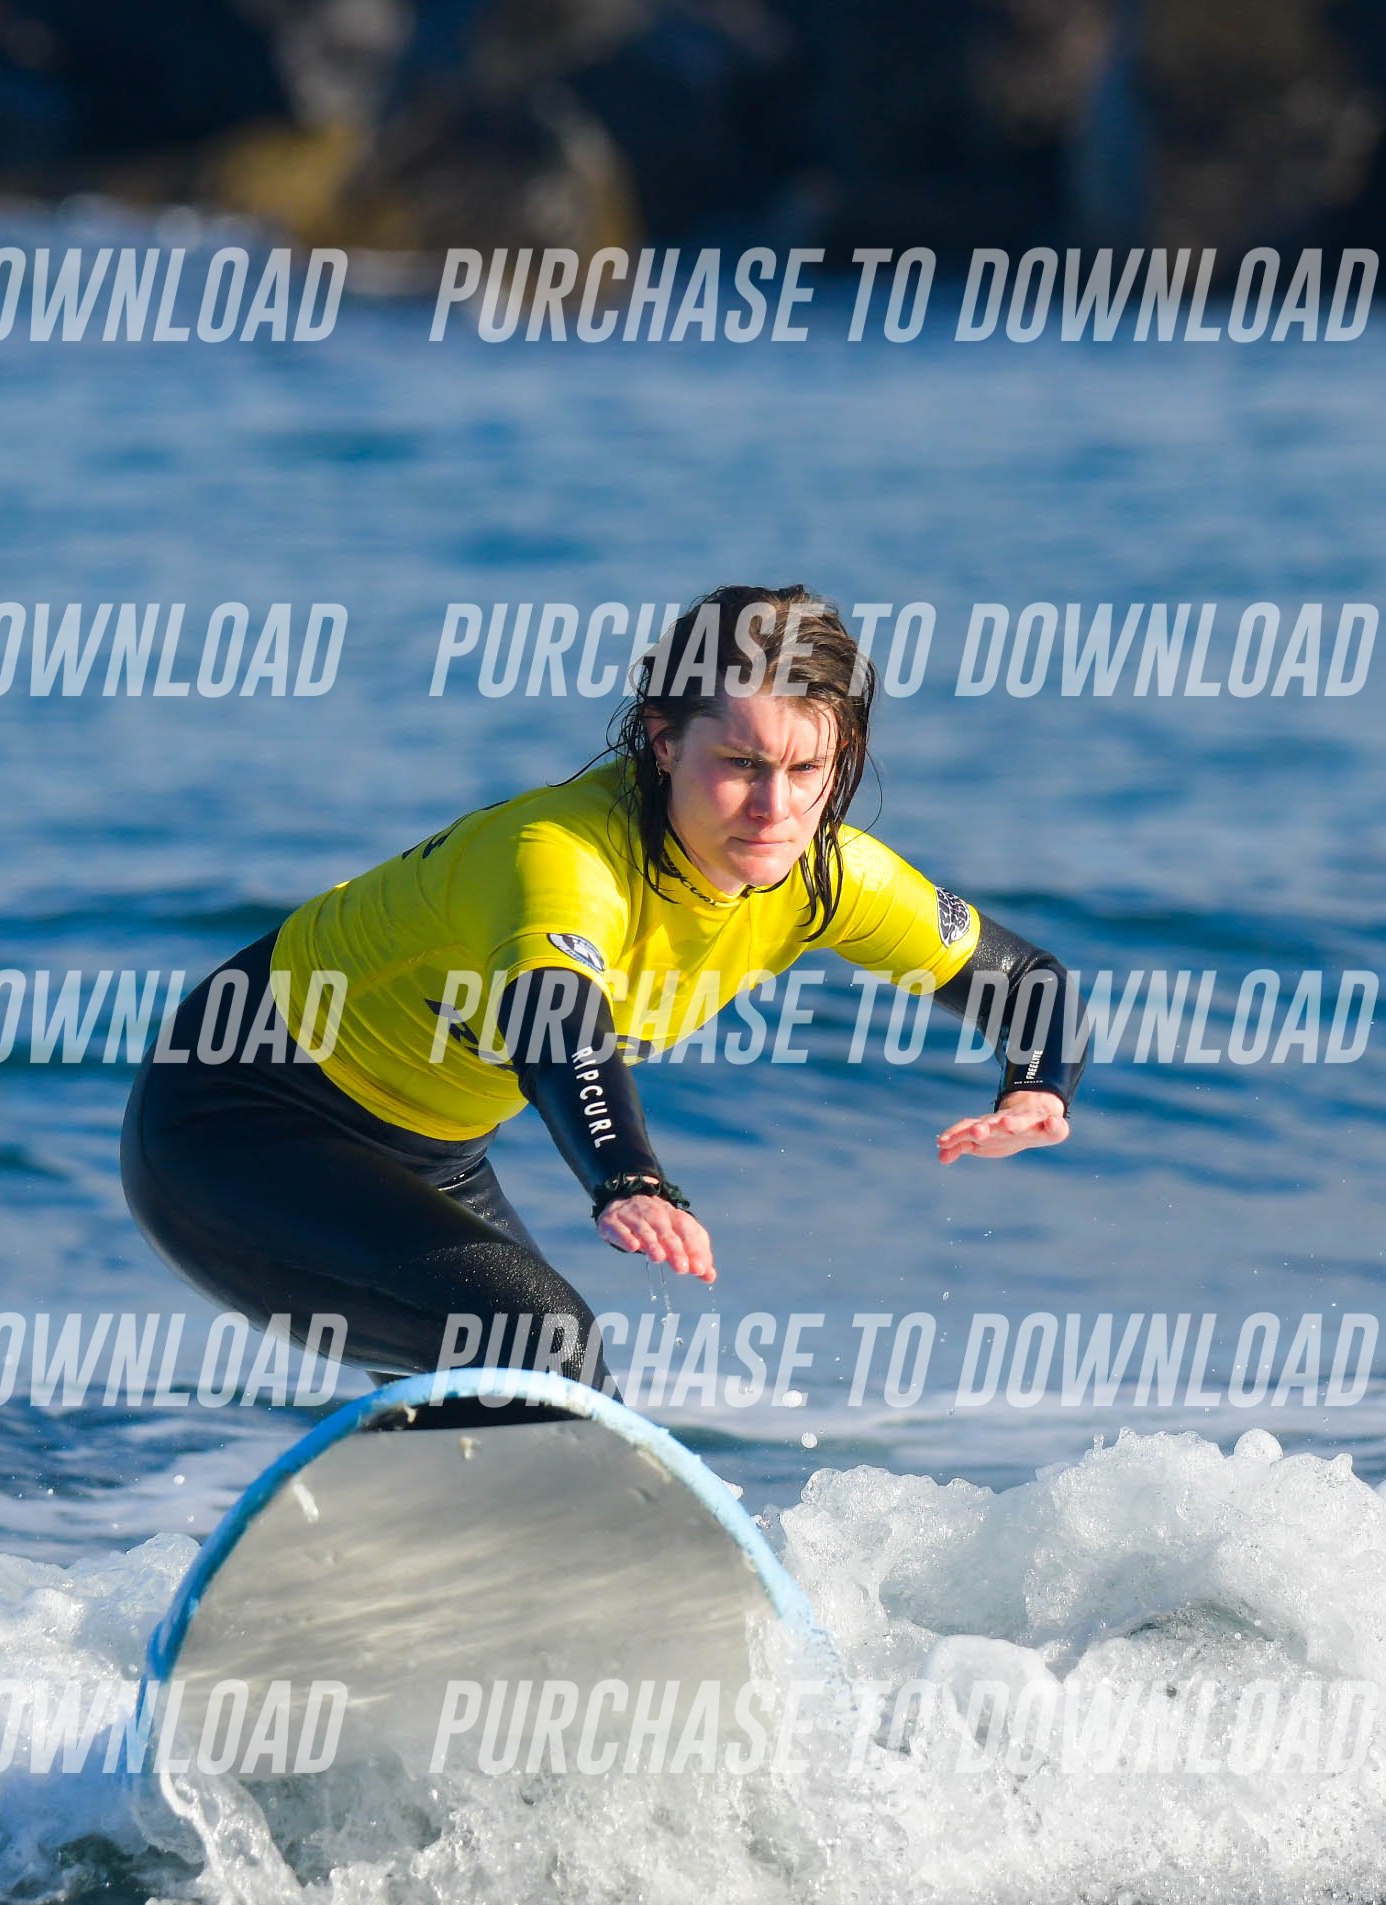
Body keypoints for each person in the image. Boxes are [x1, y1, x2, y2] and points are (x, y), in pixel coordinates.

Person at [120, 584, 1080, 1382]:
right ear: (662, 740)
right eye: (740, 764)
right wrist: (628, 1179)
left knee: (553, 1395)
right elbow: (558, 1022)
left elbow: (1029, 980)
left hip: (431, 1155)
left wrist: (1035, 1089)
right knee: (539, 1345)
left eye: (806, 769)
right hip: (240, 1120)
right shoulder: (562, 855)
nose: (775, 808)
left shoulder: (829, 875)